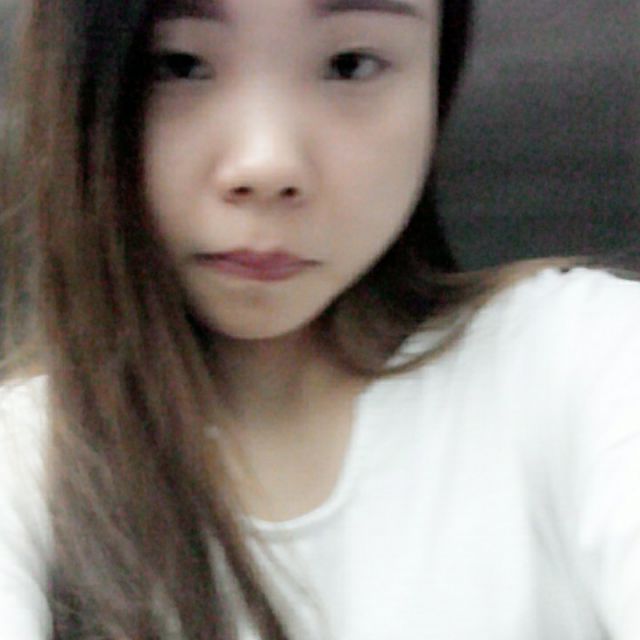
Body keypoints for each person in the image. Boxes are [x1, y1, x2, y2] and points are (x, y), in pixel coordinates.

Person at [1, 0, 639, 638]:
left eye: (350, 64)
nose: (267, 165)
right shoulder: (25, 464)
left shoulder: (578, 360)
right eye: (179, 64)